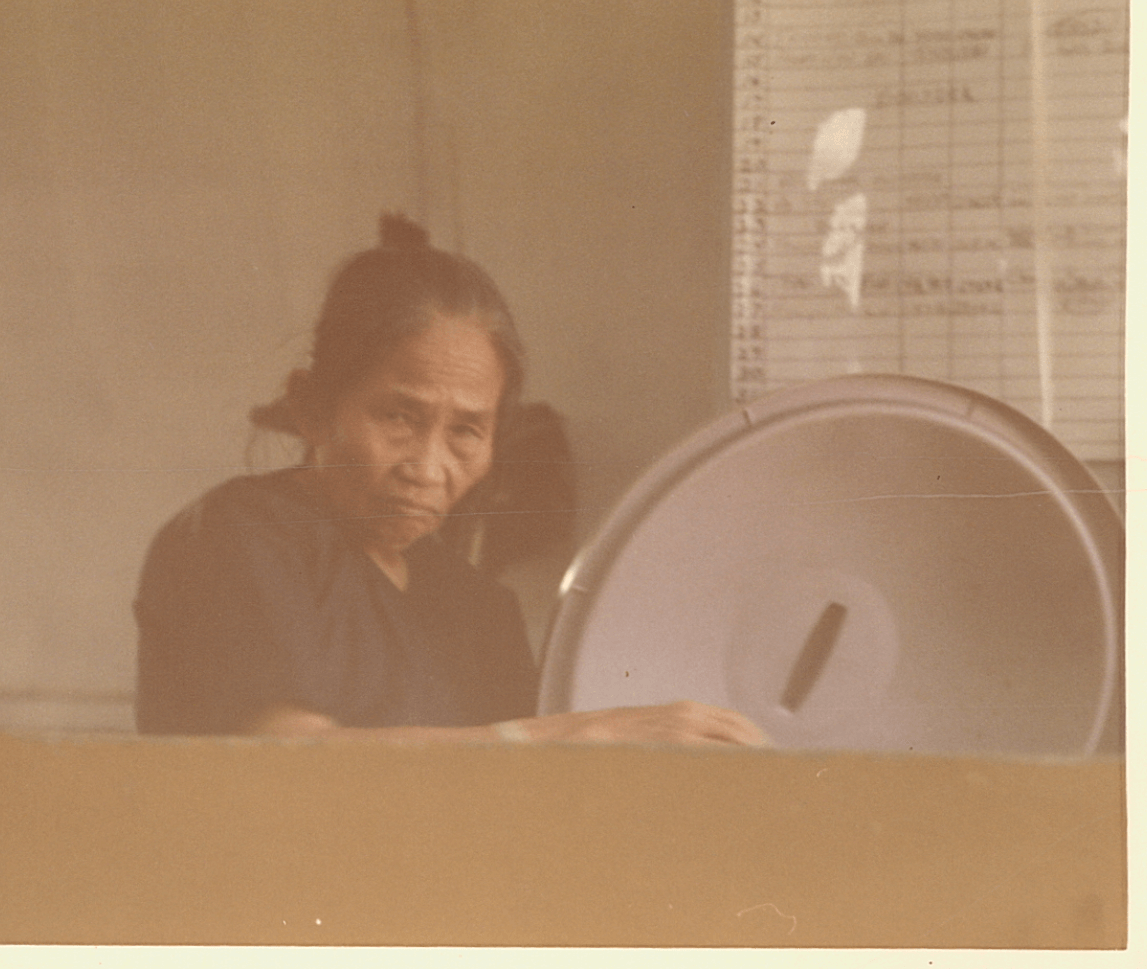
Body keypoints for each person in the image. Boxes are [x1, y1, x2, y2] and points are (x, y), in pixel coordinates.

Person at [134, 214, 765, 747]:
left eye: (466, 431)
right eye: (400, 417)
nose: (428, 468)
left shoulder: (476, 609)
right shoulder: (233, 541)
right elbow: (298, 766)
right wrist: (581, 735)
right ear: (314, 407)